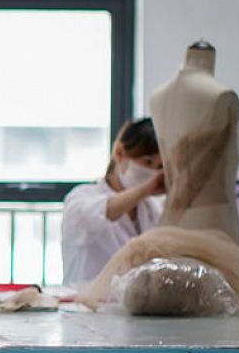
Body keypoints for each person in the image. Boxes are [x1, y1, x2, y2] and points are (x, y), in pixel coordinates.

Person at [60, 117, 166, 286]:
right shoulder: (82, 197)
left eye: (159, 166)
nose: (152, 171)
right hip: (83, 307)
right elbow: (101, 213)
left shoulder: (151, 209)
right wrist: (146, 189)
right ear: (119, 152)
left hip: (130, 306)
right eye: (147, 161)